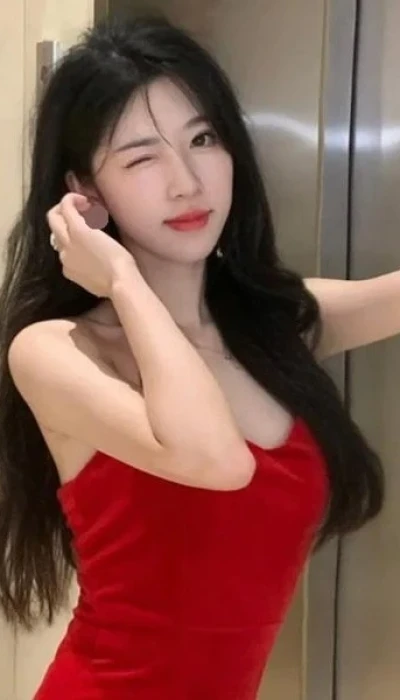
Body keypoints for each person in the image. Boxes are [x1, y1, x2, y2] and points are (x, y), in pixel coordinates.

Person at [0, 13, 395, 699]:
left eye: (203, 139)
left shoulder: (274, 327)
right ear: (84, 192)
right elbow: (215, 460)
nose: (186, 182)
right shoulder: (57, 352)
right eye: (142, 157)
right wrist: (122, 280)